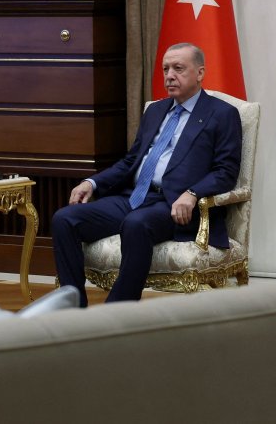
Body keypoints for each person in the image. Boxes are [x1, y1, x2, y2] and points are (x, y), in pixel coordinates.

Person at [50, 43, 242, 307]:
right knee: (65, 219)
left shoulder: (222, 114)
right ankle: (73, 307)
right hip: (135, 196)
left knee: (136, 224)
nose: (169, 75)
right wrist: (92, 182)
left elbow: (226, 172)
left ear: (200, 73)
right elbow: (132, 161)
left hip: (175, 204)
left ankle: (118, 311)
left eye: (178, 68)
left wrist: (193, 193)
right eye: (165, 69)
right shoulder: (155, 110)